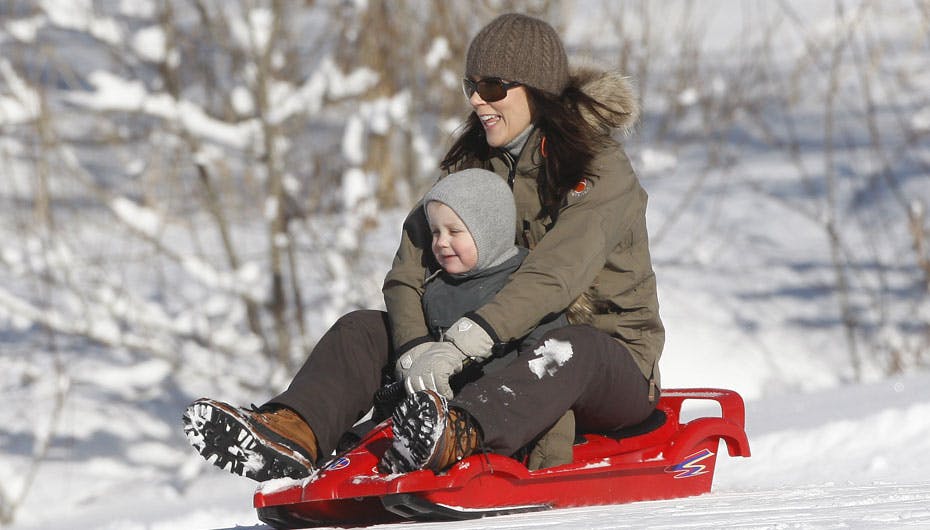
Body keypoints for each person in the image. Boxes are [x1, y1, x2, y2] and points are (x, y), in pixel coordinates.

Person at [183, 12, 663, 481]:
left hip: (605, 363)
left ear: (536, 90)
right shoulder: (475, 164)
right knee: (364, 331)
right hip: (496, 351)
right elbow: (408, 267)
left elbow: (556, 276)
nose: (477, 99)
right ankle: (294, 433)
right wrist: (414, 349)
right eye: (470, 85)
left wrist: (460, 344)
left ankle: (458, 432)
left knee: (567, 348)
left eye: (493, 87)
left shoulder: (598, 169)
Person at [182, 167, 572, 480]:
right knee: (357, 330)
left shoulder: (521, 287)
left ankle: (411, 447)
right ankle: (293, 436)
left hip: (489, 426)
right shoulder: (436, 289)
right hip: (428, 417)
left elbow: (546, 378)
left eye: (455, 231)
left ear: (489, 232)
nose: (440, 242)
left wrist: (549, 464)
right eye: (436, 232)